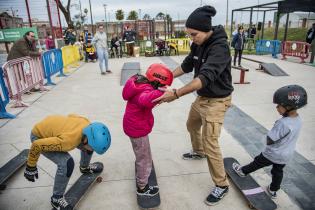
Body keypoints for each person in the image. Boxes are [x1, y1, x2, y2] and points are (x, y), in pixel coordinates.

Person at [153, 5, 234, 205]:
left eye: (193, 34)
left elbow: (204, 77)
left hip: (217, 101)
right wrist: (165, 78)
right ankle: (198, 152)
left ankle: (222, 185)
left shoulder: (220, 48)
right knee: (191, 124)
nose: (191, 38)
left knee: (211, 142)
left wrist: (176, 94)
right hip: (202, 98)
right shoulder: (198, 44)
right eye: (189, 34)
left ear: (206, 29)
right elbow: (188, 65)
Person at [232, 85, 307, 199]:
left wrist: (264, 137)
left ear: (289, 106)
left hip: (273, 153)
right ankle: (273, 190)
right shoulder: (298, 120)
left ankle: (242, 171)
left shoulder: (283, 123)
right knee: (278, 171)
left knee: (257, 162)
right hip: (287, 154)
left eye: (279, 105)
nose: (277, 107)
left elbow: (270, 140)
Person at [24, 114, 111, 210]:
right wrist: (31, 166)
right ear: (86, 139)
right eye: (92, 147)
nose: (93, 150)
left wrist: (63, 127)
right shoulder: (67, 141)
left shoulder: (86, 124)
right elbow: (37, 145)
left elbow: (71, 115)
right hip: (39, 137)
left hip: (51, 126)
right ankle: (56, 199)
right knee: (67, 163)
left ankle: (84, 167)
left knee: (88, 149)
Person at [122, 63, 173, 196]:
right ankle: (142, 187)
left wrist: (160, 91)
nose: (164, 88)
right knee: (144, 158)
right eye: (162, 85)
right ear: (156, 82)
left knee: (142, 152)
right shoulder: (145, 92)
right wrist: (163, 93)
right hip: (138, 130)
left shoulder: (140, 84)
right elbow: (146, 100)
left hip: (134, 126)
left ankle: (142, 166)